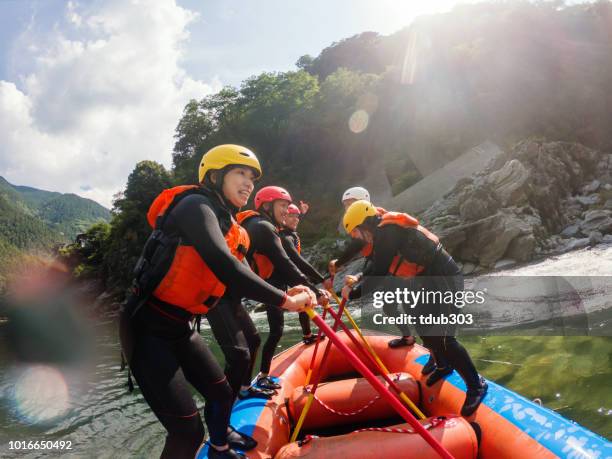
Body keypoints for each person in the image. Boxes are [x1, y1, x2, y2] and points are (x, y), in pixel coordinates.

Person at [119, 145, 315, 459]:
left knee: (222, 393)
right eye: (240, 173)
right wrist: (283, 301)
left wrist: (287, 293)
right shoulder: (195, 206)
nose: (248, 183)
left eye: (251, 177)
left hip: (181, 325)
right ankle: (210, 442)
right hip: (146, 327)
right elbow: (226, 266)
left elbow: (237, 276)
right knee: (188, 431)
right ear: (214, 176)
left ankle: (220, 447)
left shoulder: (230, 225)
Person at [340, 200, 488, 417]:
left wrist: (353, 294)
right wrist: (359, 278)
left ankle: (476, 385)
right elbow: (373, 265)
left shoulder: (388, 232)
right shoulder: (381, 235)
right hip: (426, 279)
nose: (356, 237)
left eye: (355, 232)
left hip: (444, 277)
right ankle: (443, 365)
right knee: (421, 322)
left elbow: (379, 275)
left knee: (444, 337)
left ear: (364, 225)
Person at [237, 187, 330, 391]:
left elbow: (287, 263)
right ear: (267, 206)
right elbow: (288, 264)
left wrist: (312, 288)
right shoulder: (263, 227)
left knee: (256, 339)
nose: (288, 212)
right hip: (267, 285)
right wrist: (315, 289)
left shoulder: (263, 224)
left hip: (269, 283)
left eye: (290, 208)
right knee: (268, 334)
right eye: (283, 206)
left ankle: (253, 380)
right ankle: (255, 380)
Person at [327, 186, 417, 350]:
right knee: (390, 306)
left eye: (351, 203)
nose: (348, 208)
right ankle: (409, 336)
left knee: (406, 305)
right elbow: (373, 259)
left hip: (398, 270)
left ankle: (423, 343)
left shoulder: (370, 223)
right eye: (346, 205)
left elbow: (357, 247)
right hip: (387, 267)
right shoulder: (366, 223)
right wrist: (359, 276)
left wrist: (340, 265)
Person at [280, 203, 326, 345]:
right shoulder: (285, 237)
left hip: (290, 273)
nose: (295, 219)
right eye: (291, 216)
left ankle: (307, 335)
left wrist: (302, 213)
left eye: (297, 216)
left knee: (305, 304)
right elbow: (297, 260)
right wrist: (321, 279)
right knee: (306, 301)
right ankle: (307, 334)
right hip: (284, 275)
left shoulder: (289, 233)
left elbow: (297, 262)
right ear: (283, 218)